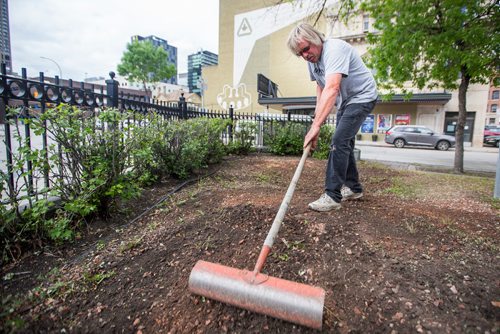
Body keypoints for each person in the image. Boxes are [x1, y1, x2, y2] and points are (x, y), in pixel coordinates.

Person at [287, 22, 378, 212]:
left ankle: (332, 196)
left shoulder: (334, 49)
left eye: (305, 49)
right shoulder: (313, 61)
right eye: (300, 54)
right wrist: (315, 123)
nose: (305, 55)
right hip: (346, 101)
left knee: (339, 140)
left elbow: (332, 88)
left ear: (315, 39)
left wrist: (316, 128)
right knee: (345, 142)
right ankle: (354, 188)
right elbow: (321, 88)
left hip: (362, 96)